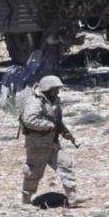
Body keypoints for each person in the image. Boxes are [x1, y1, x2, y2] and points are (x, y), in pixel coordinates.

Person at [19, 75, 87, 207]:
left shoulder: (54, 100)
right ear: (46, 89)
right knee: (33, 172)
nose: (57, 92)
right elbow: (29, 120)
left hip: (53, 143)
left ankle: (72, 197)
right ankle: (26, 201)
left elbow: (57, 120)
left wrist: (64, 131)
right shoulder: (35, 102)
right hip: (37, 145)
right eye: (55, 89)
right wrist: (48, 125)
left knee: (65, 165)